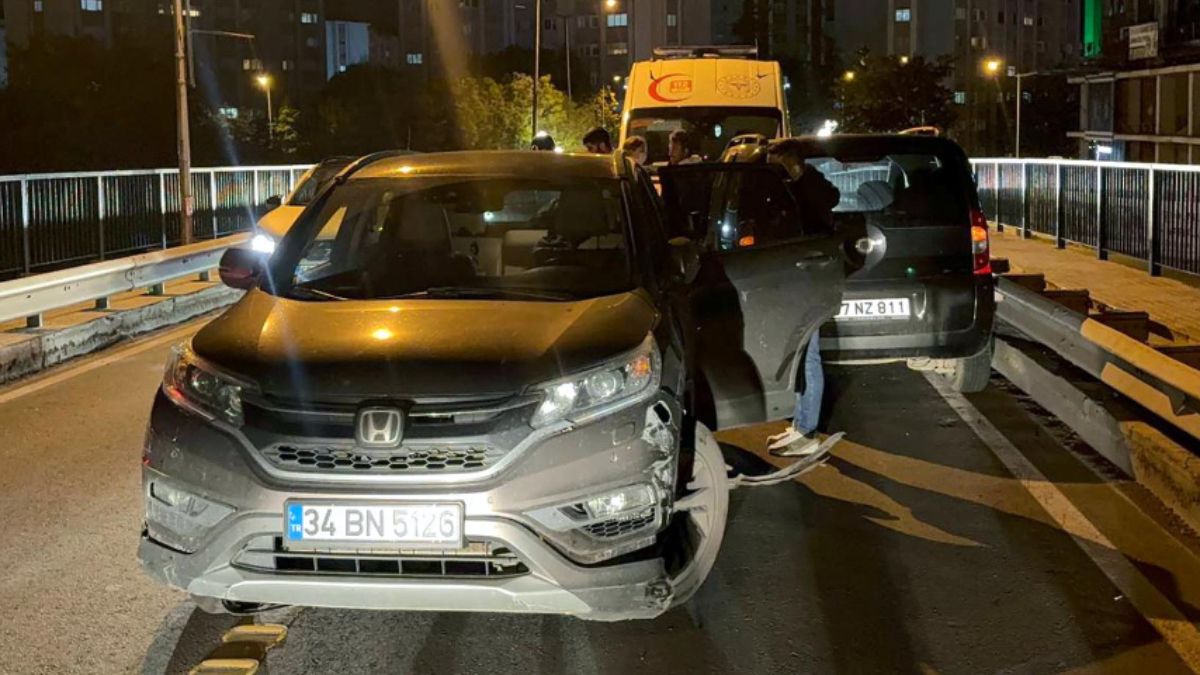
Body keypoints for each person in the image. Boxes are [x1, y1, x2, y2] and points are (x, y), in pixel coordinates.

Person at [763, 139, 841, 458]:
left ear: (791, 163)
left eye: (776, 165)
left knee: (808, 358)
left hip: (810, 283)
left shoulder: (806, 193)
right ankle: (801, 424)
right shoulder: (806, 189)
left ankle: (807, 430)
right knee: (801, 356)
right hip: (805, 281)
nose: (771, 173)